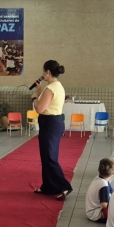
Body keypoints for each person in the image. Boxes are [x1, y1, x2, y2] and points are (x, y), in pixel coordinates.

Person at [32, 60, 72, 199]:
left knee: (49, 157)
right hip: (53, 123)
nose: (43, 74)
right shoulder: (57, 86)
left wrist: (34, 98)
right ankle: (48, 186)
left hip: (50, 124)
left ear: (48, 72)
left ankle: (65, 186)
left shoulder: (50, 88)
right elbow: (47, 104)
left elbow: (40, 108)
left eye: (44, 71)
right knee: (47, 156)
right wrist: (39, 91)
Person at [86, 158, 114, 223]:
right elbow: (104, 205)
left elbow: (112, 192)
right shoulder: (104, 185)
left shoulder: (99, 178)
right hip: (95, 214)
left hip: (90, 211)